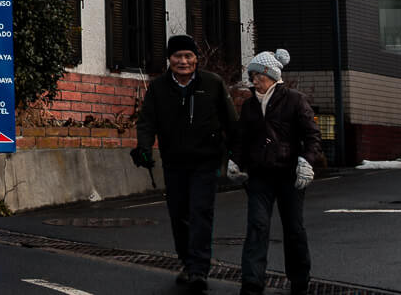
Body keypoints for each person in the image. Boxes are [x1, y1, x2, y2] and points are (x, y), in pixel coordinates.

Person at [130, 34, 236, 294]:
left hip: (205, 161)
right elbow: (147, 122)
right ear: (170, 59)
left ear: (196, 59)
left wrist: (236, 154)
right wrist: (144, 147)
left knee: (201, 213)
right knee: (179, 215)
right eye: (178, 56)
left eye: (188, 56)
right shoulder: (158, 88)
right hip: (174, 161)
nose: (183, 61)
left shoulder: (212, 84)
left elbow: (231, 121)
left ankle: (199, 269)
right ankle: (187, 263)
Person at [230, 49, 322, 295]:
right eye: (252, 75)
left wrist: (307, 161)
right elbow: (242, 139)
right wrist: (235, 162)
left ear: (271, 75)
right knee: (257, 226)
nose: (254, 79)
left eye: (258, 75)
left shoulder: (294, 100)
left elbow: (312, 135)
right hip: (260, 175)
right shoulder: (250, 105)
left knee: (294, 228)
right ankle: (252, 282)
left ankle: (300, 279)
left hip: (289, 175)